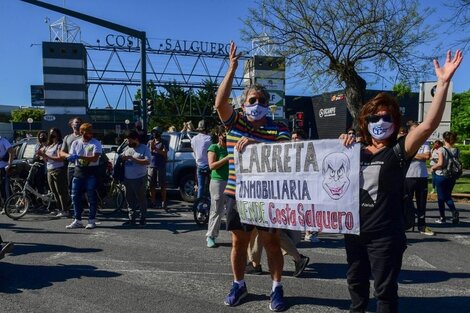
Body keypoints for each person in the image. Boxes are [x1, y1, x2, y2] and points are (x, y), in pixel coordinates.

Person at [340, 49, 462, 313]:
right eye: (375, 117)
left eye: (387, 117)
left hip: (385, 235)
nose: (380, 122)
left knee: (384, 290)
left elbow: (428, 125)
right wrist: (339, 146)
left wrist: (442, 84)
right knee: (356, 286)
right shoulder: (352, 151)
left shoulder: (398, 150)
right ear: (365, 121)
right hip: (354, 232)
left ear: (395, 123)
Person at [215, 41, 290, 311]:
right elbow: (220, 102)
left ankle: (276, 288)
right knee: (238, 242)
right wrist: (232, 67)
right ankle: (239, 284)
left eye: (261, 101)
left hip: (268, 195)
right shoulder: (237, 122)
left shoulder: (278, 127)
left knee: (271, 243)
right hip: (238, 194)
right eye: (252, 100)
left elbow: (286, 151)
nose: (257, 104)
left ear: (269, 105)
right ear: (244, 104)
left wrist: (258, 146)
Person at [64, 123, 103, 230]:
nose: (90, 134)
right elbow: (71, 155)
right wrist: (70, 157)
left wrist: (80, 156)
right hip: (78, 171)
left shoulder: (96, 143)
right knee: (75, 196)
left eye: (91, 132)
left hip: (91, 171)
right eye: (87, 132)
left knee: (91, 196)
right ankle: (78, 220)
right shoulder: (76, 143)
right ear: (82, 132)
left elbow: (94, 158)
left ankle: (91, 220)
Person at [404, 121, 434, 235]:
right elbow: (405, 155)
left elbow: (426, 156)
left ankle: (422, 225)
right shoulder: (405, 142)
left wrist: (412, 155)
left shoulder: (425, 142)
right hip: (408, 176)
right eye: (414, 129)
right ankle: (407, 223)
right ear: (409, 131)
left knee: (422, 203)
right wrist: (414, 156)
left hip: (422, 176)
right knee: (407, 202)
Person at [37, 128, 71, 218]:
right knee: (54, 192)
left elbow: (60, 158)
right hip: (49, 169)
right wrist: (42, 156)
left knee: (61, 191)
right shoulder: (50, 145)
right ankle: (59, 209)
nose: (52, 135)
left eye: (54, 133)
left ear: (58, 134)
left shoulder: (60, 145)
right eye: (51, 133)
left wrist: (45, 155)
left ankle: (65, 210)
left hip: (58, 169)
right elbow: (46, 158)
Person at [206, 125, 229, 248]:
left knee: (233, 210)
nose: (225, 137)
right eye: (223, 135)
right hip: (218, 181)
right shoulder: (214, 147)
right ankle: (211, 235)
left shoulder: (231, 147)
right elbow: (212, 166)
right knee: (216, 209)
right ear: (218, 135)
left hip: (231, 180)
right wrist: (227, 158)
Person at [430, 131, 461, 225]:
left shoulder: (441, 150)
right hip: (452, 175)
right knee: (448, 195)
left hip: (441, 175)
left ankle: (442, 217)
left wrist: (432, 167)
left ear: (444, 139)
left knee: (441, 197)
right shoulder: (456, 150)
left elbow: (440, 163)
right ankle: (454, 212)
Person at [122, 130, 151, 226]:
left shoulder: (144, 148)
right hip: (127, 178)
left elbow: (147, 161)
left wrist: (132, 158)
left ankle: (143, 217)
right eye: (127, 141)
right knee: (129, 199)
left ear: (136, 139)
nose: (129, 143)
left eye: (130, 141)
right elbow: (122, 157)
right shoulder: (127, 148)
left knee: (141, 199)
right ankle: (132, 218)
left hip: (139, 178)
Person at [190, 120, 213, 201]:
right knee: (211, 187)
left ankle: (199, 207)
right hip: (209, 165)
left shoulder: (193, 139)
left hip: (199, 165)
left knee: (201, 187)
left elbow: (194, 152)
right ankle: (211, 204)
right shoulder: (209, 138)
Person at [147, 127, 169, 211]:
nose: (154, 134)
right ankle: (153, 202)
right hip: (151, 165)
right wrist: (151, 147)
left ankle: (164, 202)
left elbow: (164, 153)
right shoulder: (149, 142)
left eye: (156, 132)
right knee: (151, 185)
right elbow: (148, 153)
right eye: (153, 132)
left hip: (161, 166)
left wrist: (155, 148)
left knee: (162, 185)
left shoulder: (164, 142)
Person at [61, 117, 82, 193]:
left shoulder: (85, 137)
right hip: (71, 167)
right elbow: (61, 152)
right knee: (71, 189)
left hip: (83, 166)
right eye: (76, 122)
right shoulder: (67, 137)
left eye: (80, 123)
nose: (78, 124)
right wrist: (68, 156)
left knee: (83, 189)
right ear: (71, 124)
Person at [0, 135, 14, 206]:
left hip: (3, 168)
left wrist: (9, 164)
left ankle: (7, 205)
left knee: (4, 187)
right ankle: (2, 205)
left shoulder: (3, 140)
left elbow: (11, 151)